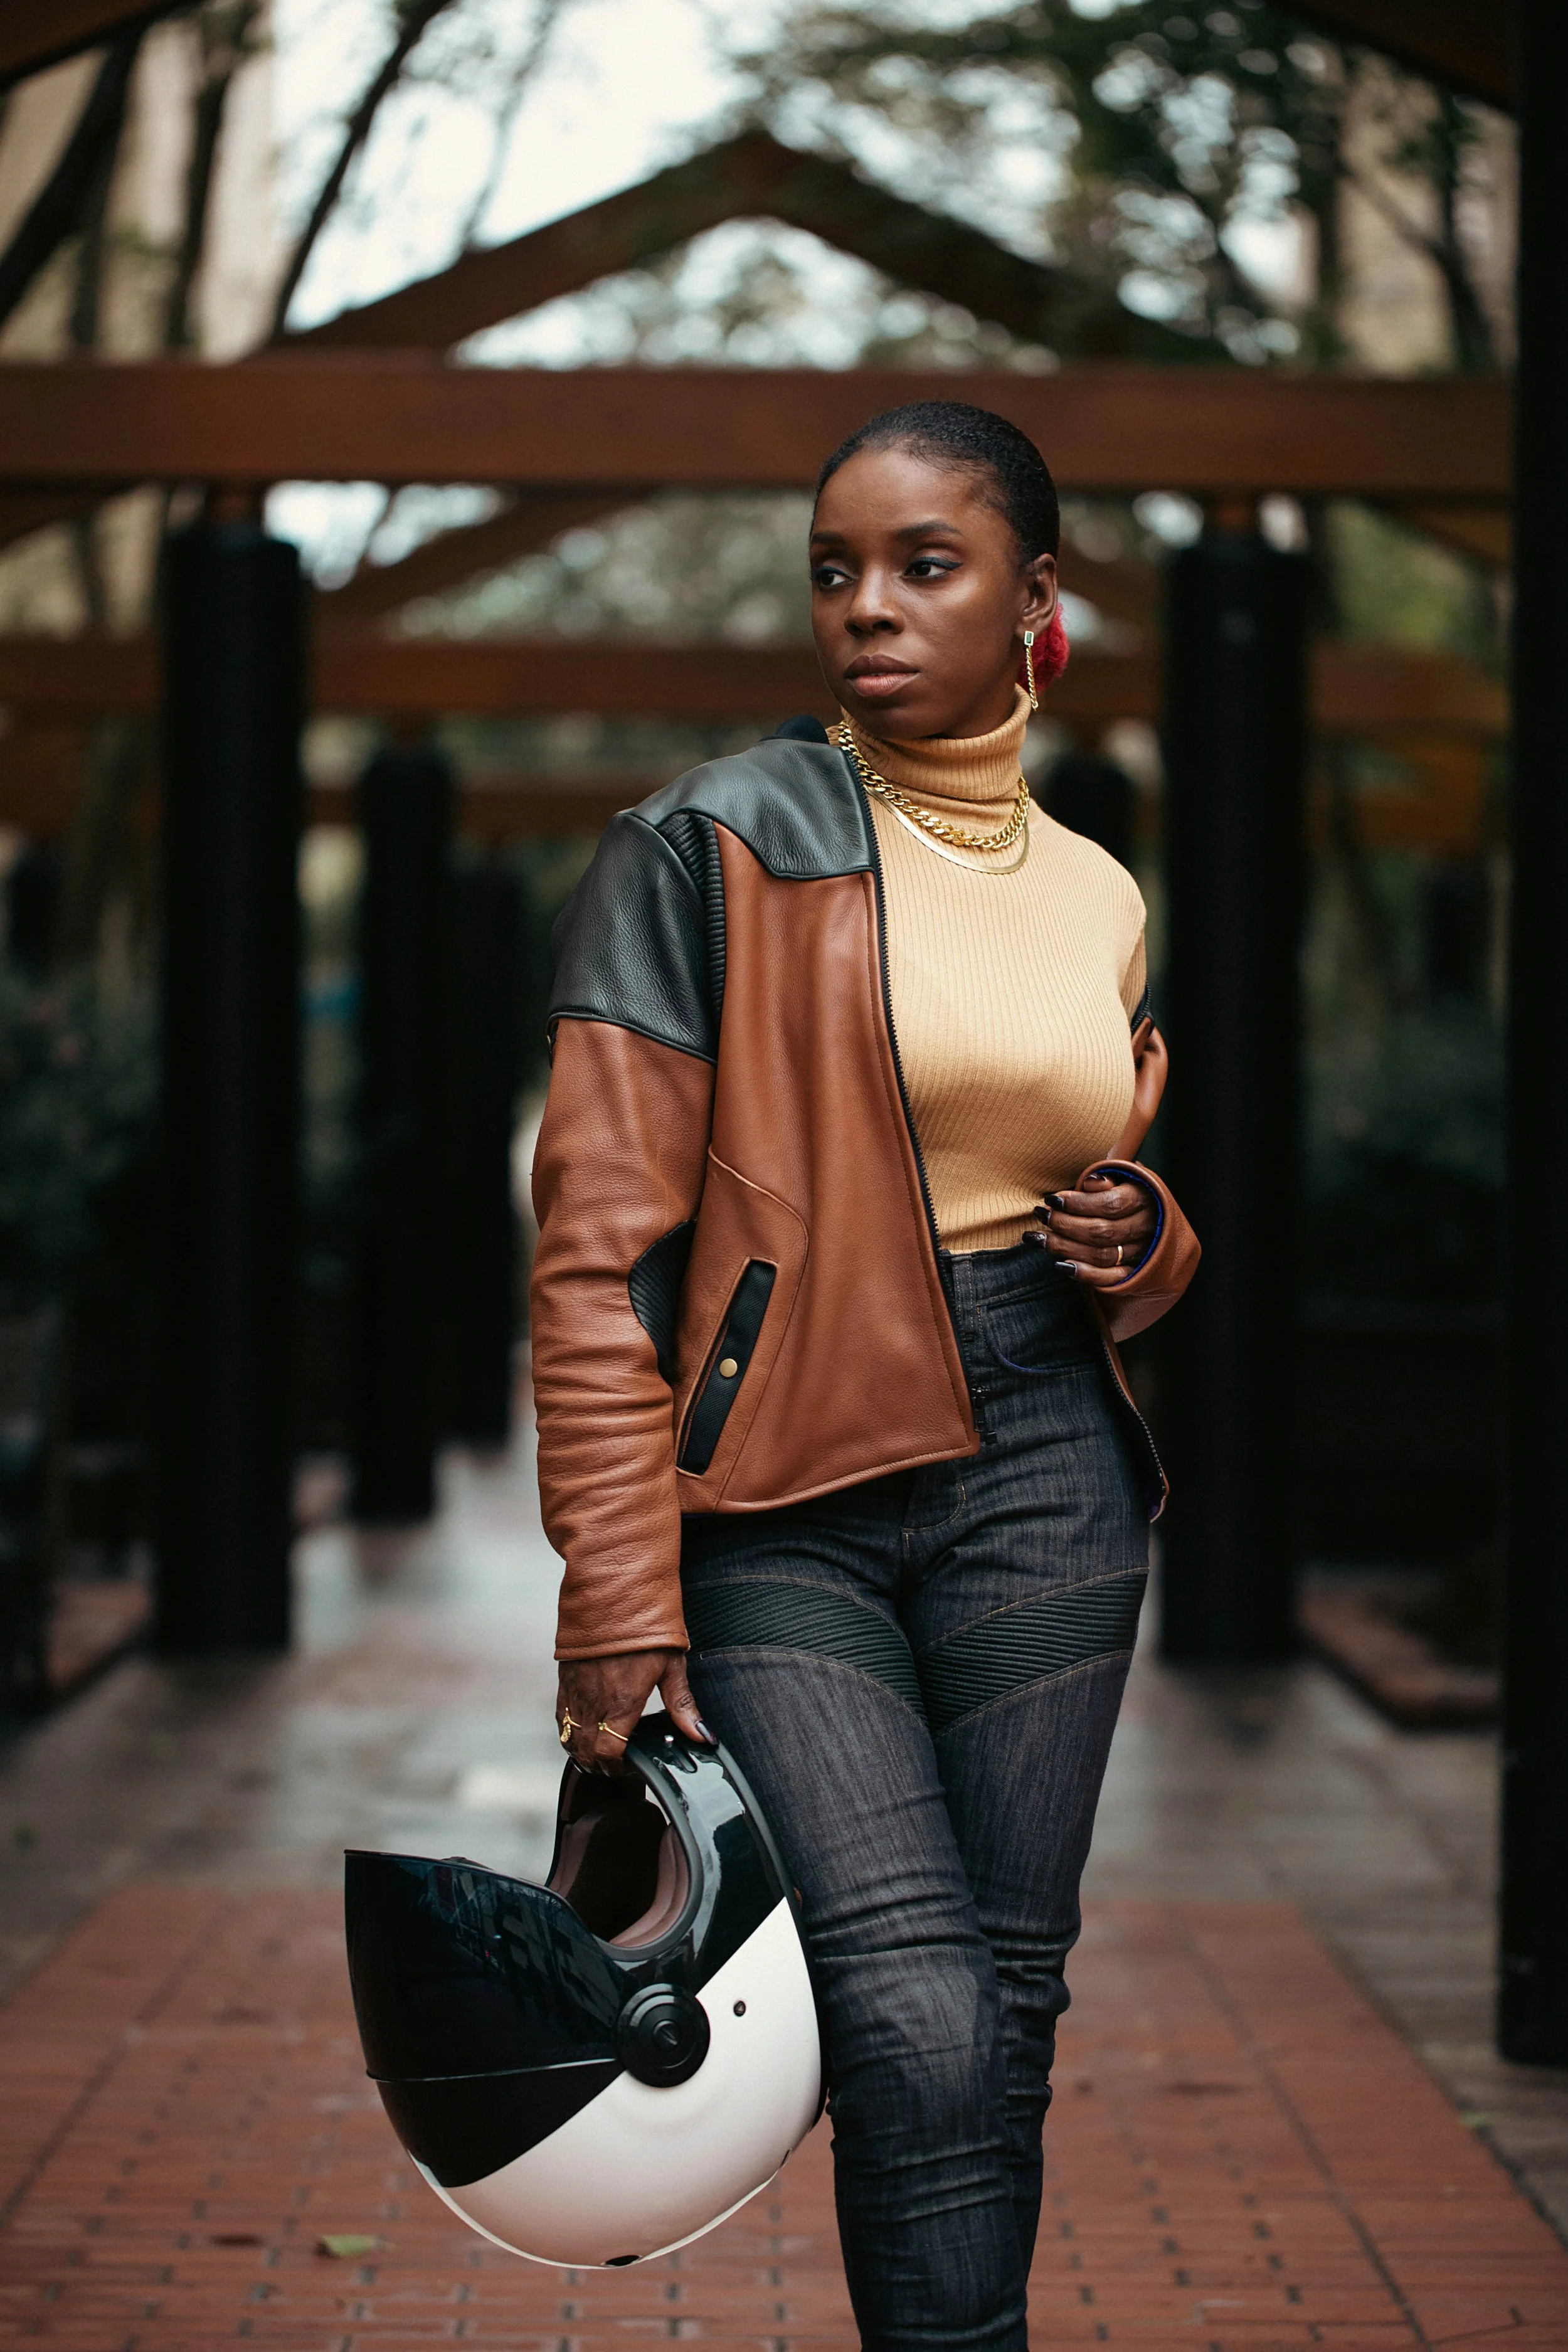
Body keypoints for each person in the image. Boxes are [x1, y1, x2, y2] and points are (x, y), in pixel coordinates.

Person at [530, 400, 1199, 2351]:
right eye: (837, 568)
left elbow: (1086, 1176)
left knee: (1006, 1998)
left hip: (1047, 1462)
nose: (868, 608)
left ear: (1033, 598)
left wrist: (1149, 1241)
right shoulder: (708, 840)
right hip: (786, 1485)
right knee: (906, 2003)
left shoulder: (1093, 890)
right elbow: (591, 1256)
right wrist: (614, 1593)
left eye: (925, 564)